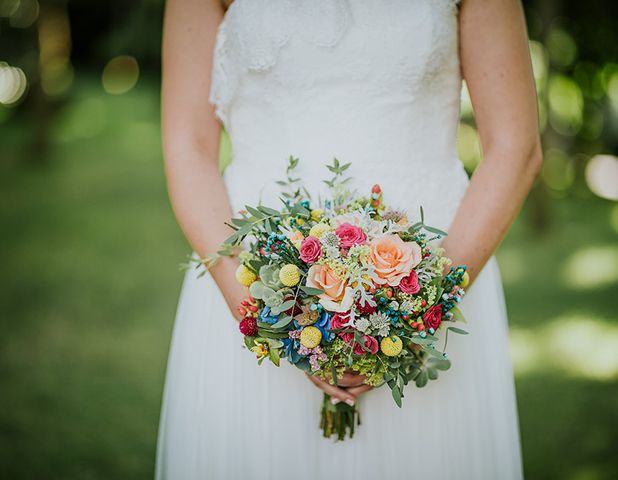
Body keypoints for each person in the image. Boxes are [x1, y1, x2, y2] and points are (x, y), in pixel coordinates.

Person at [156, 0, 541, 478]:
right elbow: (187, 145)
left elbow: (515, 146)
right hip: (246, 278)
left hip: (439, 278)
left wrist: (416, 311)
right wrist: (271, 319)